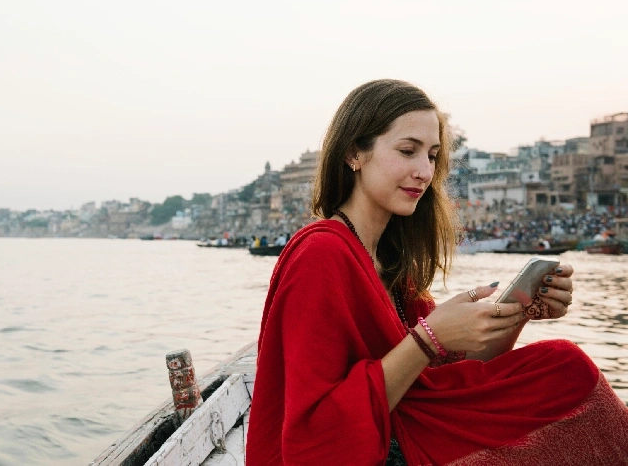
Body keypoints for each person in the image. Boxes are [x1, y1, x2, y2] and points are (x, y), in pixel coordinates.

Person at [246, 79, 628, 465]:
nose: (424, 172)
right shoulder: (321, 253)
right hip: (366, 451)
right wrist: (430, 338)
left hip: (406, 430)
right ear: (353, 154)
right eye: (407, 151)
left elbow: (447, 382)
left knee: (563, 370)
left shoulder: (391, 260)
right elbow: (315, 432)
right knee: (564, 366)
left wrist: (520, 313)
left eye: (432, 156)